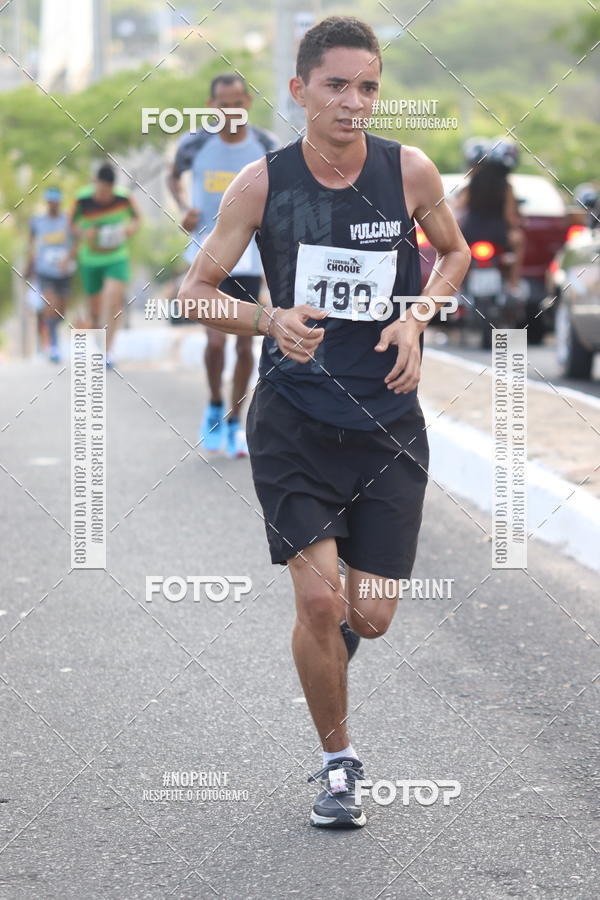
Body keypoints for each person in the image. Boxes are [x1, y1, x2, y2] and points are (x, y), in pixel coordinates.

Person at [178, 16, 470, 827]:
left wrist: (415, 314)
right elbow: (193, 292)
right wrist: (269, 321)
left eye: (369, 87)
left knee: (367, 615)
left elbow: (454, 253)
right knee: (317, 605)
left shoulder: (408, 170)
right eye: (337, 86)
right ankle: (338, 764)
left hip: (387, 425)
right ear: (301, 90)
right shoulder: (261, 185)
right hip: (295, 420)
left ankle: (326, 652)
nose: (355, 102)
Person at [168, 73, 278, 458]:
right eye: (223, 103)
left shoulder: (265, 146)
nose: (231, 109)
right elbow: (172, 176)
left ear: (248, 102)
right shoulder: (195, 143)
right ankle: (215, 403)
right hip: (208, 250)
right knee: (215, 341)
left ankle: (236, 421)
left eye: (238, 101)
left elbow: (279, 192)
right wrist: (184, 209)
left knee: (246, 344)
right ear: (212, 105)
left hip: (248, 253)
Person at [69, 163, 142, 366]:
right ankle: (96, 342)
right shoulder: (82, 199)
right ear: (95, 184)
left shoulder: (124, 198)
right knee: (95, 310)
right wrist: (83, 233)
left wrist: (130, 229)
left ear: (112, 187)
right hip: (90, 258)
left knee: (113, 300)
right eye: (100, 191)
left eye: (107, 191)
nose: (103, 196)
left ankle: (108, 352)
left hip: (116, 256)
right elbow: (71, 225)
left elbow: (137, 218)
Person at [454, 140, 525, 295]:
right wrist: (517, 223)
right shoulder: (506, 186)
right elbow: (510, 216)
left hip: (470, 232)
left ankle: (455, 286)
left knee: (454, 253)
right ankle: (513, 283)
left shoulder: (471, 182)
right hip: (497, 234)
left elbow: (459, 208)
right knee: (519, 241)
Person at [26, 187, 76, 362]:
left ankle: (54, 332)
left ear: (59, 203)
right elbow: (31, 243)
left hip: (64, 271)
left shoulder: (67, 221)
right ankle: (53, 345)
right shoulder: (37, 221)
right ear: (47, 202)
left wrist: (68, 258)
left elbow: (77, 242)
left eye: (56, 202)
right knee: (50, 306)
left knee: (61, 311)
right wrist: (29, 264)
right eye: (50, 201)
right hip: (45, 271)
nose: (53, 205)